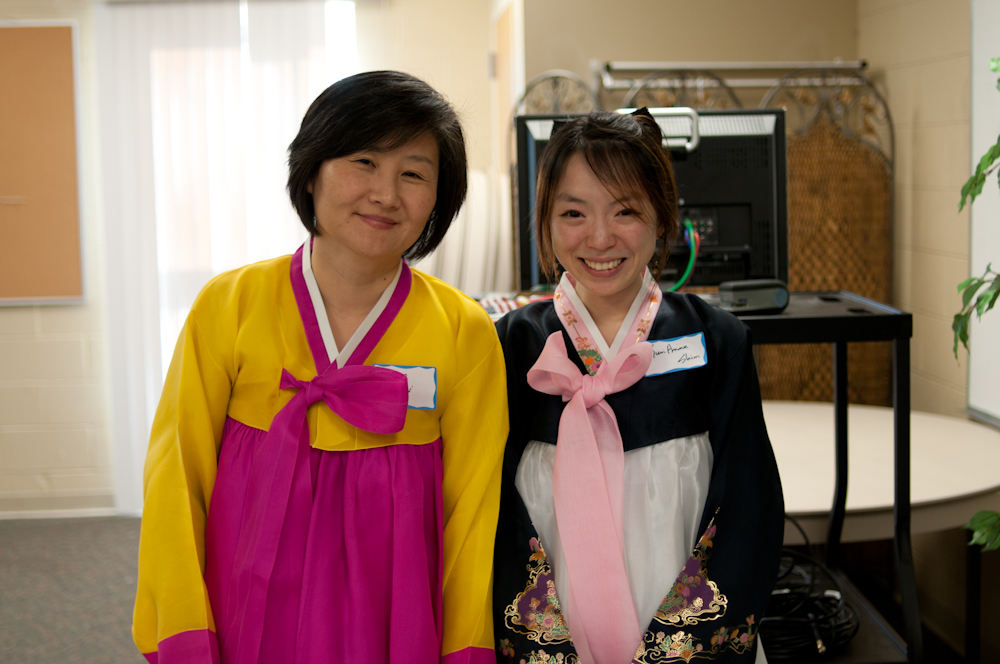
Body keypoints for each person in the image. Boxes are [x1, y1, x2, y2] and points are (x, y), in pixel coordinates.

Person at [133, 71, 508, 664]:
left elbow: (474, 512)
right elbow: (176, 479)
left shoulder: (464, 330)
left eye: (413, 174)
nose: (386, 194)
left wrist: (464, 647)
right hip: (245, 603)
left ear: (440, 197)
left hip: (392, 614)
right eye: (364, 162)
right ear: (311, 170)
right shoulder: (229, 306)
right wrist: (181, 627)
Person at [492, 110, 784, 664]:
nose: (600, 237)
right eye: (573, 213)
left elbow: (750, 508)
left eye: (625, 210)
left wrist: (681, 650)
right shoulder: (510, 346)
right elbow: (492, 514)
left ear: (662, 217)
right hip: (553, 636)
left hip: (685, 640)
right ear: (545, 223)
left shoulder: (717, 340)